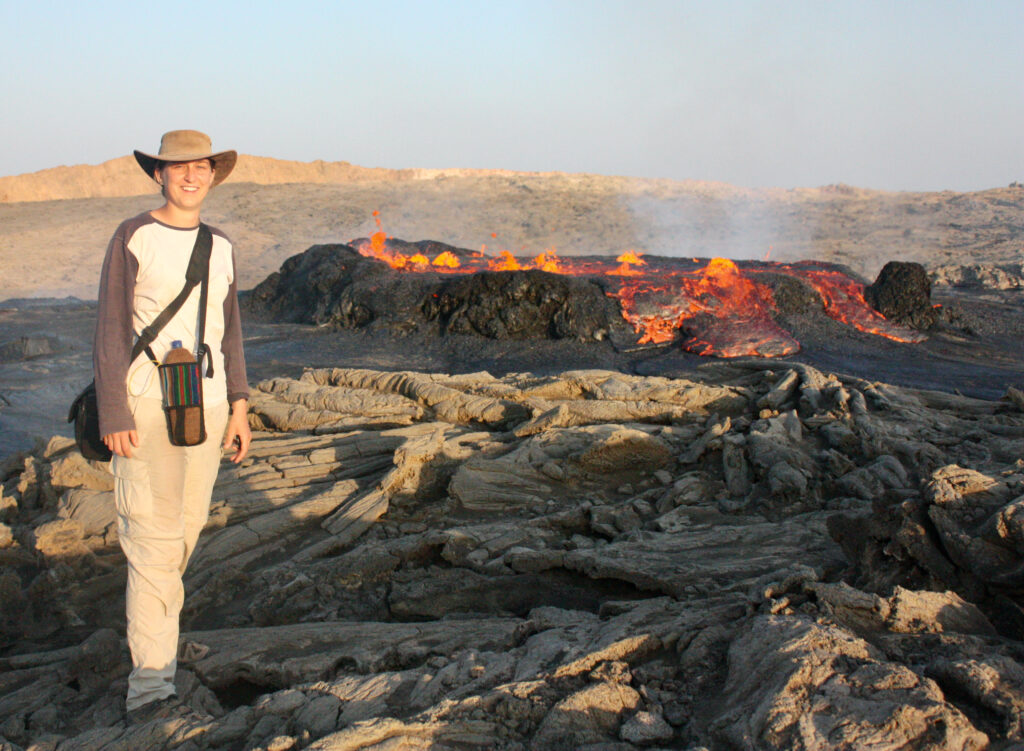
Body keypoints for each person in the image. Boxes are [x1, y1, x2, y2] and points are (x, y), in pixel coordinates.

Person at [93, 129, 252, 722]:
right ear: (158, 174)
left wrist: (239, 404)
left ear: (213, 175)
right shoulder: (133, 236)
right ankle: (151, 688)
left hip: (208, 408)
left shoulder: (223, 245)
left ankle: (157, 638)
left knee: (183, 532)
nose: (191, 176)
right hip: (145, 406)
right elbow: (110, 327)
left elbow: (230, 330)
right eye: (178, 167)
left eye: (201, 167)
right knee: (152, 541)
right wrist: (113, 410)